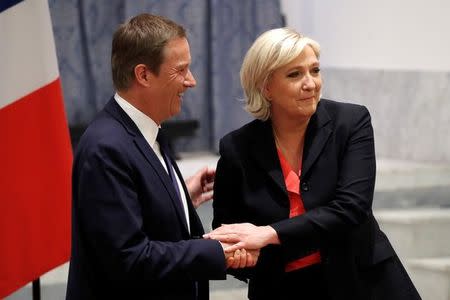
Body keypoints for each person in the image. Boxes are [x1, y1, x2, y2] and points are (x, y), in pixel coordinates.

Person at [205, 28, 421, 300]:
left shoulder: (351, 122)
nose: (311, 83)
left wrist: (268, 234)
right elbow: (230, 229)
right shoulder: (236, 147)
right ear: (266, 87)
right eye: (295, 74)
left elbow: (351, 207)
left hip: (362, 283)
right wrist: (241, 256)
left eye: (315, 71)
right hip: (283, 290)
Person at [66, 14, 258, 300]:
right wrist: (217, 251)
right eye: (181, 70)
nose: (191, 81)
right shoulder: (105, 148)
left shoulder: (149, 129)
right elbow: (128, 259)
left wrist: (177, 198)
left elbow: (138, 214)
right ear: (143, 75)